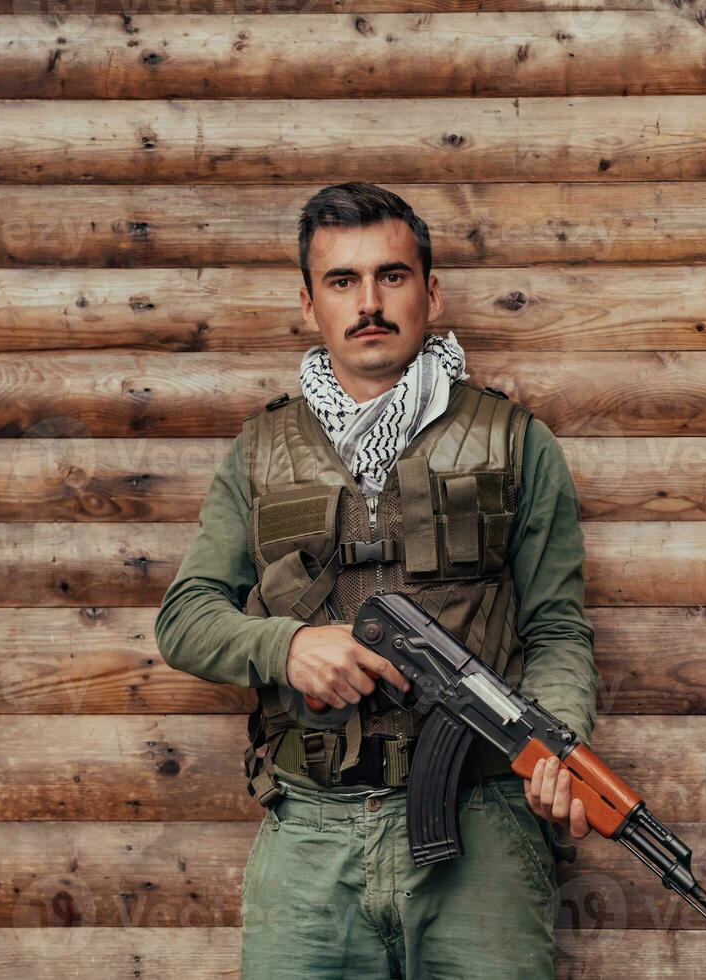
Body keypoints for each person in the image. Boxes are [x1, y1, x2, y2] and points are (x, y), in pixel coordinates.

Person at [154, 182, 599, 978]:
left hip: (482, 832)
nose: (369, 302)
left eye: (392, 276)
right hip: (311, 841)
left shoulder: (516, 443)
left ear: (430, 292)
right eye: (342, 281)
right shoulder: (260, 451)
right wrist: (285, 647)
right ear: (308, 302)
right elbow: (185, 618)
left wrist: (559, 744)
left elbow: (556, 629)